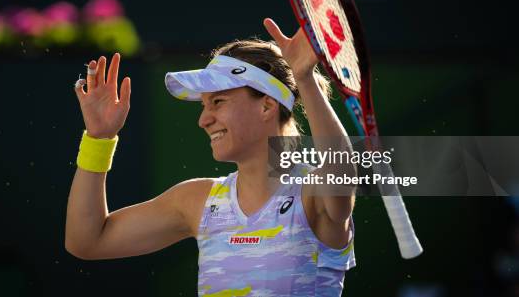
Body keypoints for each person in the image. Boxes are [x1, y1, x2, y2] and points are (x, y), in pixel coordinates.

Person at [65, 18, 356, 296]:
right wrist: (98, 139)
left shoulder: (313, 193)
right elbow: (87, 241)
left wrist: (304, 79)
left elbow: (342, 173)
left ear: (267, 106)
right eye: (204, 106)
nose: (204, 120)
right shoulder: (196, 200)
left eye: (217, 102)